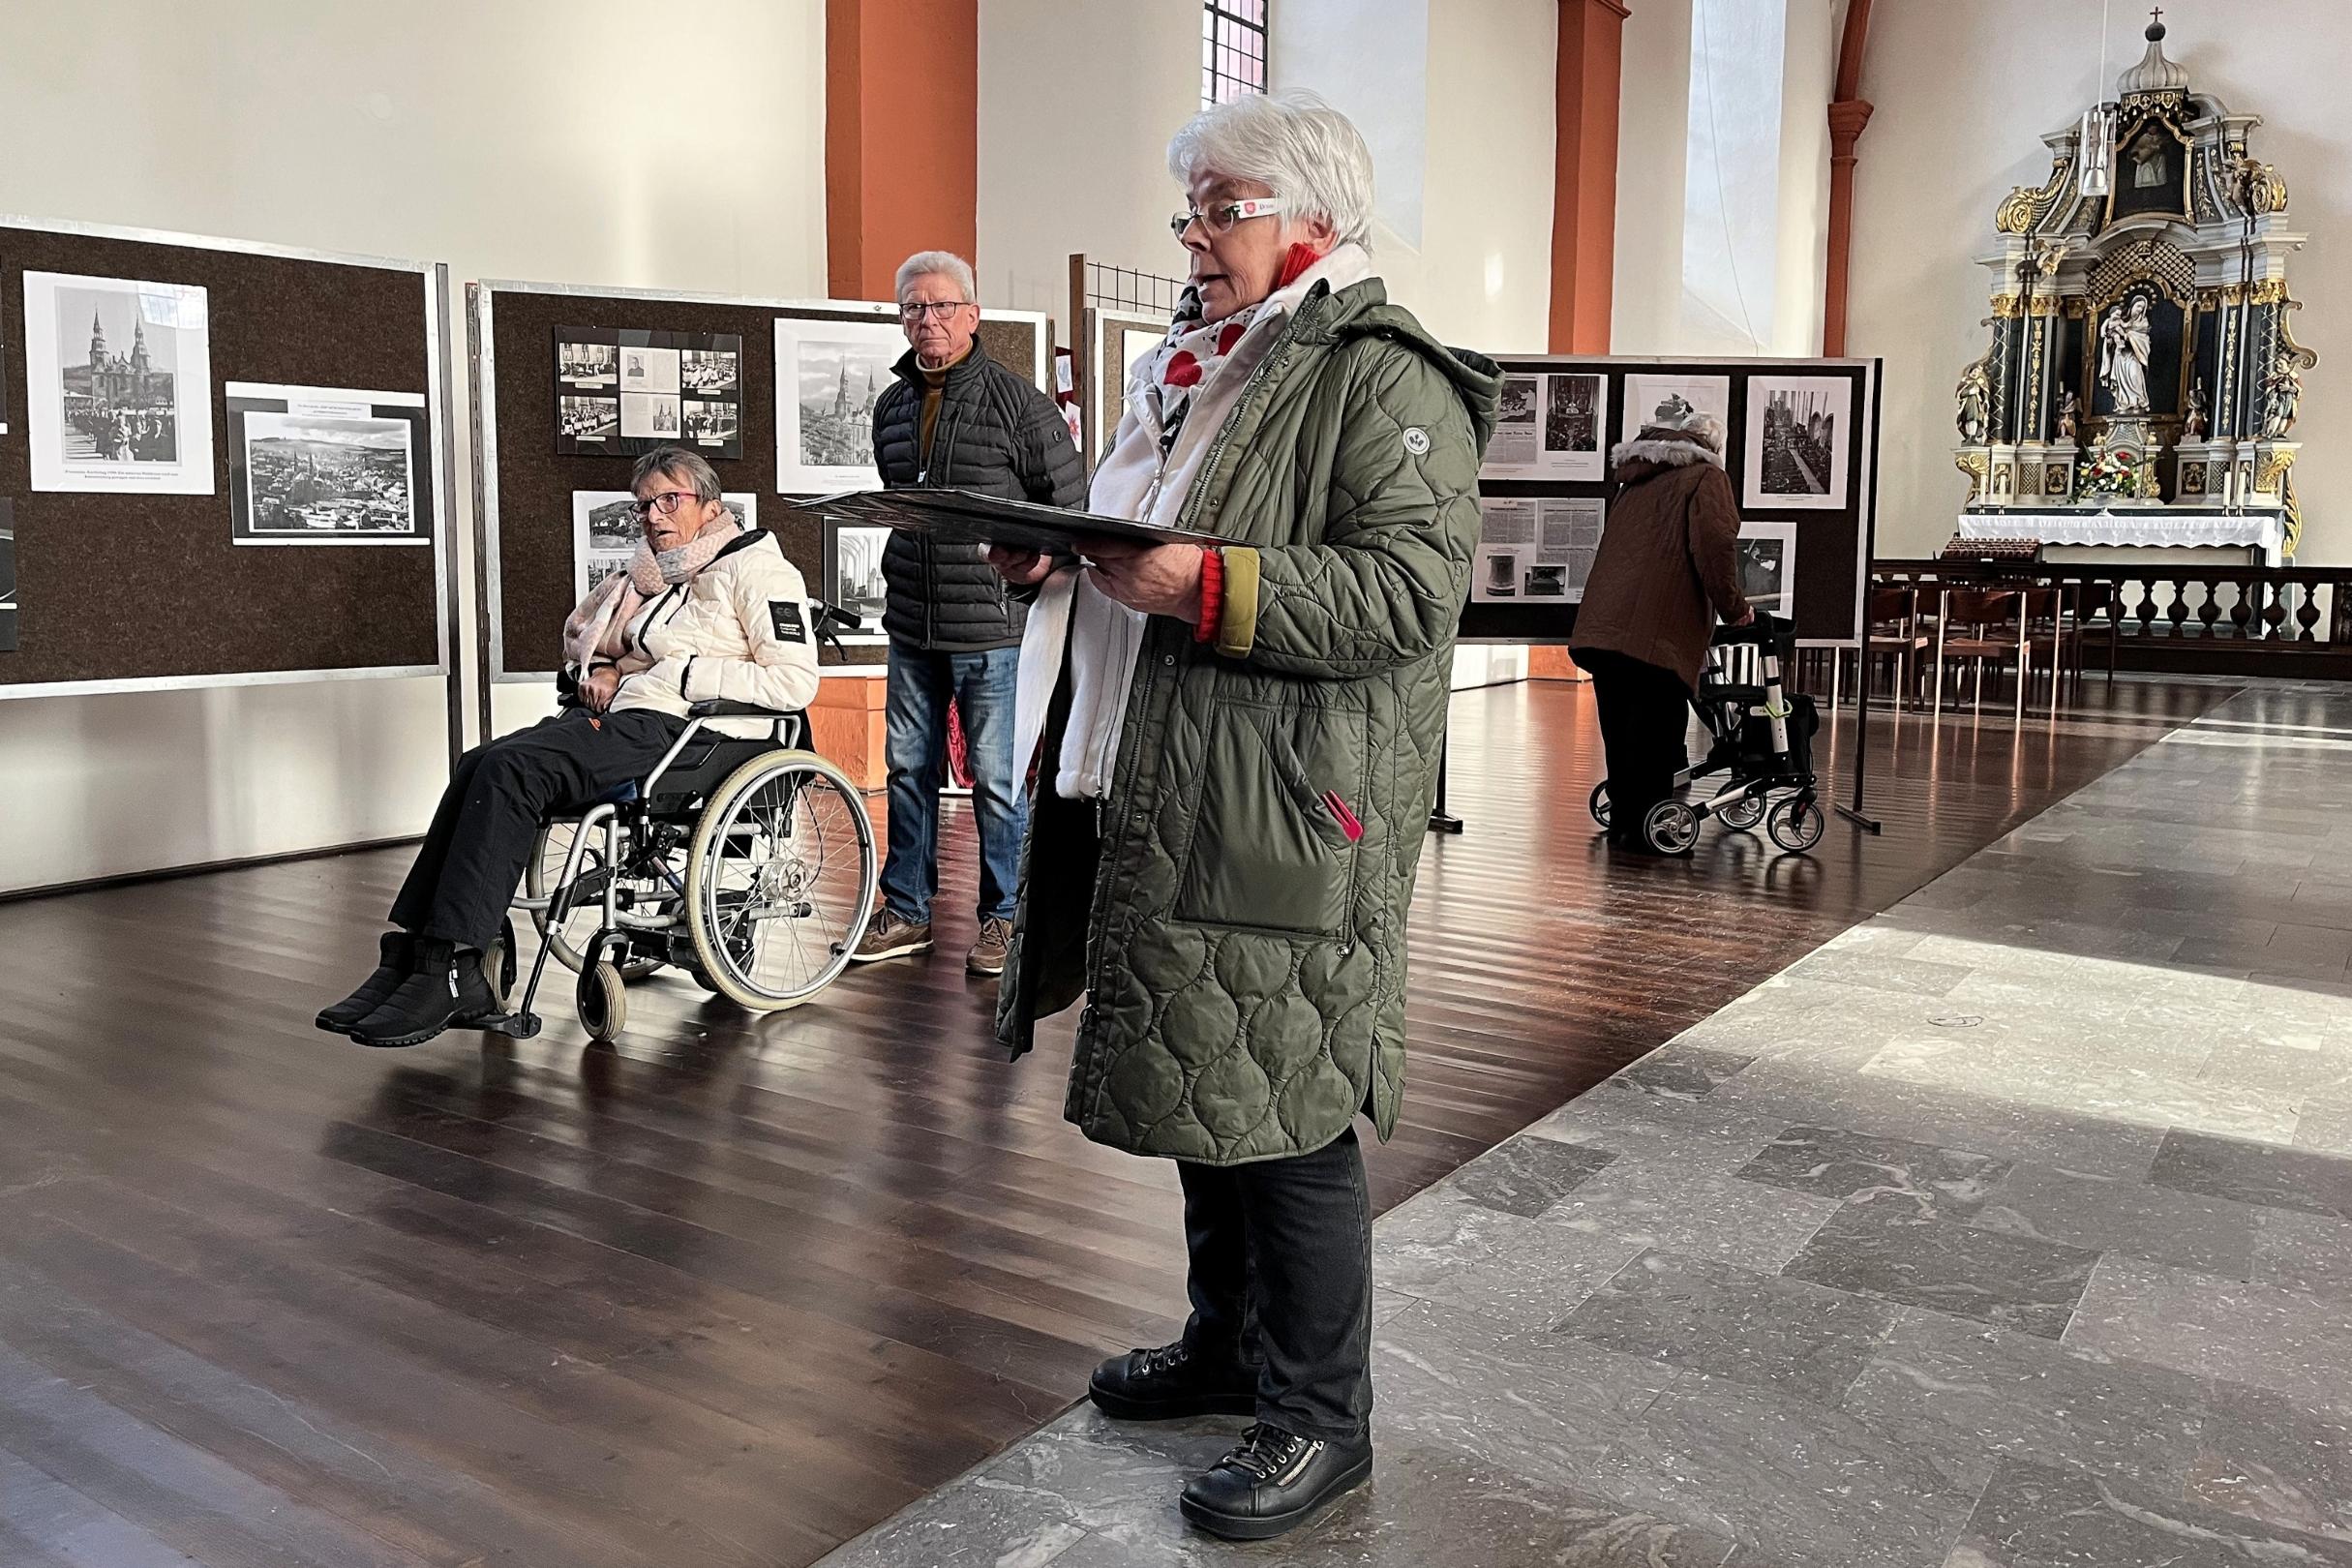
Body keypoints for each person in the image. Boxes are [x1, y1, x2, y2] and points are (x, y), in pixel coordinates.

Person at [987, 93, 1495, 1542]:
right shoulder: (1197, 365)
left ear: (1313, 219)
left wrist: (1206, 585)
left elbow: (1409, 596)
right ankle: (1227, 1348)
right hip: (1165, 780)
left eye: (1224, 209)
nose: (1195, 239)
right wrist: (1063, 565)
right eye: (1190, 212)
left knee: (1289, 1110)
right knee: (1207, 1073)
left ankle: (1322, 1418)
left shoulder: (1379, 374)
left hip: (1279, 801)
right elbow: (1143, 543)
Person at [317, 445, 820, 1048]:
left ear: (712, 507)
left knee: (513, 771)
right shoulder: (675, 576)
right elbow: (639, 652)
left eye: (669, 500)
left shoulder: (760, 571)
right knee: (480, 761)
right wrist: (609, 668)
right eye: (643, 506)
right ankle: (414, 956)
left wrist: (681, 674)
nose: (653, 516)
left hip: (698, 736)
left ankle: (457, 964)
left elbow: (794, 683)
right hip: (641, 719)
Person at [851, 250, 1086, 978]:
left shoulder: (1021, 405)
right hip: (910, 625)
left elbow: (1072, 507)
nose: (928, 319)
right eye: (914, 307)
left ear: (973, 314)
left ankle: (1005, 917)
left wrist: (1036, 569)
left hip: (992, 629)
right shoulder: (891, 408)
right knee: (906, 772)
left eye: (942, 305)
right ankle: (907, 911)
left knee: (998, 781)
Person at [1570, 400, 1752, 854]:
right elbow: (1715, 548)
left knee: (1620, 732)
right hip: (1657, 631)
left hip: (1604, 627)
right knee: (1657, 734)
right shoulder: (1706, 477)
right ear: (1712, 446)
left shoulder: (1635, 479)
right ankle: (1652, 831)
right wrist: (1735, 610)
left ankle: (1626, 823)